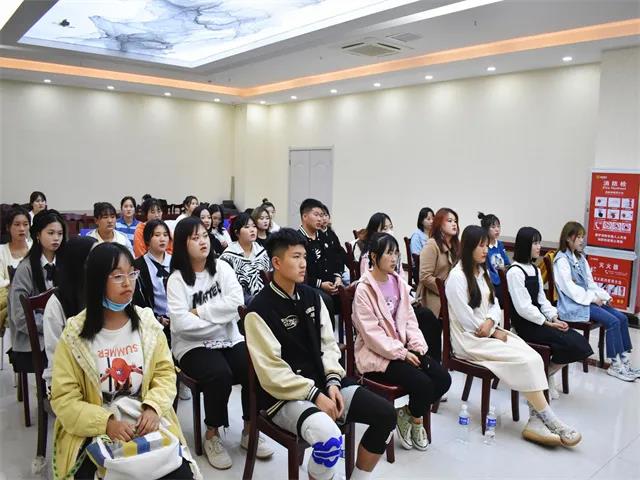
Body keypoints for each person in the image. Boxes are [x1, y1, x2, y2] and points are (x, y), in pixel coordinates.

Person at [245, 228, 396, 480]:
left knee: (386, 415)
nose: (303, 263)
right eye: (296, 257)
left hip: (323, 383)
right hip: (283, 397)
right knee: (330, 441)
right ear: (277, 263)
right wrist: (315, 395)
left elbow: (329, 346)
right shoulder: (259, 310)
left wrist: (333, 383)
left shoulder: (314, 298)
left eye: (304, 256)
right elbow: (272, 373)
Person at [50, 243, 197, 480]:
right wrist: (106, 423)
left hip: (146, 422)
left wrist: (153, 407)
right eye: (118, 276)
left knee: (181, 474)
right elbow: (64, 399)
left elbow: (165, 373)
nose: (128, 283)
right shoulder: (75, 335)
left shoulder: (147, 324)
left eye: (132, 274)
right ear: (97, 281)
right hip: (97, 429)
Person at [446, 225, 581, 447]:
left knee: (534, 357)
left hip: (489, 333)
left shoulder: (482, 272)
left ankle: (536, 419)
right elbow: (466, 319)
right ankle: (551, 421)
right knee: (524, 361)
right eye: (481, 246)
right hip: (469, 340)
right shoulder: (456, 277)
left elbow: (494, 303)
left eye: (486, 245)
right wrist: (492, 329)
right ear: (468, 247)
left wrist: (492, 323)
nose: (486, 250)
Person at [167, 217, 273, 469]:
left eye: (205, 235)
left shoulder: (222, 268)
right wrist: (219, 320)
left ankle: (249, 429)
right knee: (219, 374)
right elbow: (181, 324)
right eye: (195, 238)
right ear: (182, 244)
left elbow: (237, 304)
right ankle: (212, 434)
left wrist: (200, 313)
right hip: (192, 346)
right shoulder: (177, 280)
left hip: (228, 338)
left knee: (253, 365)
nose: (203, 241)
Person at [353, 233, 451, 451]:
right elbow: (372, 335)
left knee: (443, 379)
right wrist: (402, 353)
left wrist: (417, 347)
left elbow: (409, 320)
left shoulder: (398, 282)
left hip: (403, 348)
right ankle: (417, 422)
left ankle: (405, 414)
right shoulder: (364, 289)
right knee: (423, 384)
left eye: (396, 253)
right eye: (389, 253)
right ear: (374, 256)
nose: (395, 258)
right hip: (378, 353)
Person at [505, 227, 593, 399]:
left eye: (539, 242)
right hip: (526, 325)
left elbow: (542, 300)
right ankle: (541, 378)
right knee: (570, 343)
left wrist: (554, 318)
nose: (539, 247)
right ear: (524, 245)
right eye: (535, 243)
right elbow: (523, 308)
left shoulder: (535, 269)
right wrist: (547, 323)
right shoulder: (515, 272)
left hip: (541, 321)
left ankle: (545, 375)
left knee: (578, 342)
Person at [553, 221, 639, 381]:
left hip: (586, 300)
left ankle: (625, 362)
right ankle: (615, 366)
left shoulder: (580, 259)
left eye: (582, 237)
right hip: (573, 305)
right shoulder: (561, 260)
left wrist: (605, 296)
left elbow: (591, 284)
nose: (581, 240)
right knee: (612, 321)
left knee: (622, 318)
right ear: (568, 238)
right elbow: (570, 289)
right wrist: (593, 298)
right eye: (578, 237)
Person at [8, 210, 66, 374]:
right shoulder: (25, 269)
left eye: (60, 233)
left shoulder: (65, 264)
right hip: (33, 341)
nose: (56, 238)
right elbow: (20, 317)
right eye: (51, 233)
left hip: (62, 334)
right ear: (38, 235)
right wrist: (53, 326)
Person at [42, 236, 97, 392]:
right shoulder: (57, 303)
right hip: (69, 376)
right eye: (93, 259)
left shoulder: (102, 292)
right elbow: (55, 355)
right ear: (78, 263)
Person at [297, 198, 343, 321]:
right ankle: (327, 333)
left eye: (322, 215)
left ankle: (347, 332)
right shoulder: (297, 240)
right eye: (316, 215)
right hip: (308, 286)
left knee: (349, 295)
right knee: (325, 300)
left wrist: (337, 277)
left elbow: (336, 259)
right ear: (305, 216)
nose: (320, 219)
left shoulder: (325, 237)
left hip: (330, 284)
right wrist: (320, 284)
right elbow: (299, 273)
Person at [417, 207, 459, 318]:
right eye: (449, 221)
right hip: (434, 295)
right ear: (439, 224)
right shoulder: (432, 244)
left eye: (455, 221)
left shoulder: (456, 245)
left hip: (452, 293)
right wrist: (445, 289)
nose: (454, 224)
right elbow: (425, 276)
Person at [219, 213, 270, 304]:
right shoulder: (228, 257)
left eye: (254, 226)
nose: (252, 230)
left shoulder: (262, 252)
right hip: (239, 304)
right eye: (247, 227)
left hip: (266, 301)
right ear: (237, 233)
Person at [0, 206, 32, 345]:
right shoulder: (1, 251)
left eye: (25, 224)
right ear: (8, 227)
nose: (22, 229)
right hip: (9, 296)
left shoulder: (35, 248)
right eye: (17, 224)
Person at [478, 212, 510, 307]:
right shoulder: (484, 246)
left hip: (502, 278)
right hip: (491, 281)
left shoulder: (500, 244)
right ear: (485, 230)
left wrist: (505, 269)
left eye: (498, 226)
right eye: (493, 227)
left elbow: (507, 263)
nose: (497, 229)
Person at [319, 204, 348, 286]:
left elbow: (339, 254)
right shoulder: (316, 235)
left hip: (338, 272)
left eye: (326, 215)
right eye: (321, 215)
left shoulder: (331, 234)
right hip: (326, 276)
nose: (324, 218)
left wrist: (338, 275)